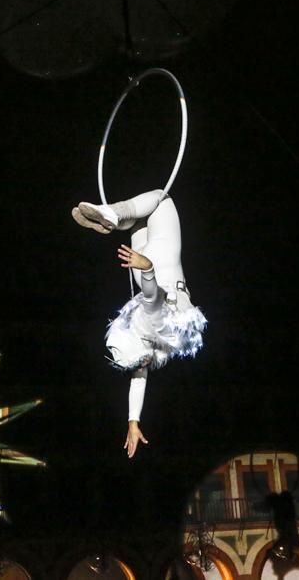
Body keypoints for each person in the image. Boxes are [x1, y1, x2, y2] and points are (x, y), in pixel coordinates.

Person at [72, 189, 207, 457]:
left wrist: (146, 268)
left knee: (162, 197)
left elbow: (152, 295)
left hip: (157, 263)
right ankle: (114, 216)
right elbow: (138, 380)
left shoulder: (155, 333)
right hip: (140, 264)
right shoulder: (146, 347)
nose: (142, 368)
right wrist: (133, 421)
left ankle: (112, 214)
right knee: (142, 213)